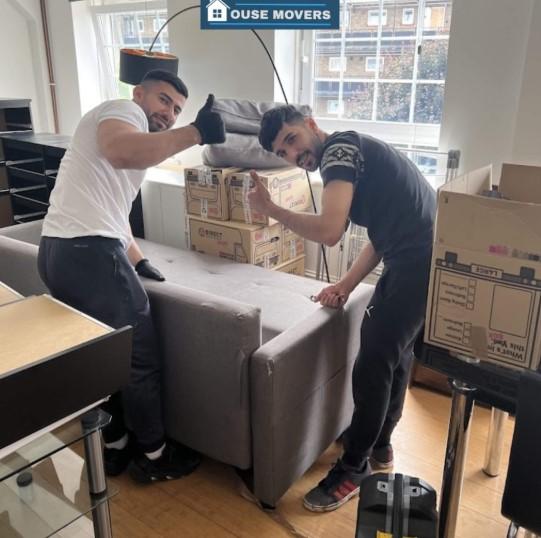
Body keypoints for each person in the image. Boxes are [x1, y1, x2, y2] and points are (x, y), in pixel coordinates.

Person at [38, 69, 226, 483]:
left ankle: (115, 445)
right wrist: (196, 132)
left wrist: (138, 261)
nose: (169, 113)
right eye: (164, 100)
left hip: (56, 250)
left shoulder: (135, 137)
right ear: (139, 94)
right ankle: (155, 455)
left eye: (177, 110)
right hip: (90, 254)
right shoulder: (124, 112)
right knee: (138, 357)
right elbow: (121, 151)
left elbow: (114, 210)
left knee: (98, 355)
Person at [247, 105, 436, 512]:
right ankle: (380, 444)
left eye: (292, 140)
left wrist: (271, 210)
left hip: (418, 261)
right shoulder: (349, 154)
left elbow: (330, 233)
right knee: (394, 354)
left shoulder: (338, 151)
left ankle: (354, 467)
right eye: (282, 153)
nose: (293, 155)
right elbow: (380, 237)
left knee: (373, 362)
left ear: (312, 125)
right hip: (418, 257)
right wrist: (345, 285)